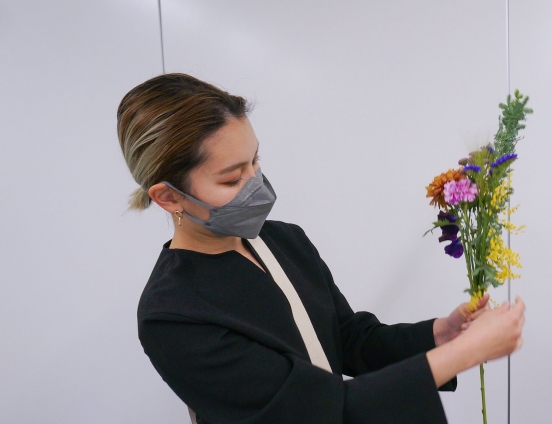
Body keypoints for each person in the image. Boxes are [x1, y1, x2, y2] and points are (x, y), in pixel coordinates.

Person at [117, 73, 525, 424]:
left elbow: (347, 340)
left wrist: (439, 336)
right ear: (168, 197)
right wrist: (463, 354)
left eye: (255, 162)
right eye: (231, 179)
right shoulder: (173, 315)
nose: (255, 184)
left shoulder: (282, 240)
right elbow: (316, 411)